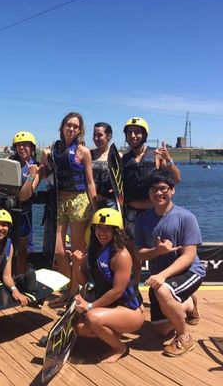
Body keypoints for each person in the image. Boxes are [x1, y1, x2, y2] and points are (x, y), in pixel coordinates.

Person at [134, 170, 205, 357]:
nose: (158, 193)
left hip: (190, 272)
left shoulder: (186, 217)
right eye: (154, 189)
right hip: (162, 277)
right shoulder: (142, 220)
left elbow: (188, 256)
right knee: (160, 329)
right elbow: (139, 254)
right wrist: (157, 251)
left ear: (172, 190)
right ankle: (188, 303)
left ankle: (184, 337)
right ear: (149, 193)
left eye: (163, 188)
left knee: (163, 290)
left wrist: (162, 276)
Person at [72, 208, 144, 363]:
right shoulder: (94, 249)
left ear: (116, 231)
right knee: (81, 328)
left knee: (92, 318)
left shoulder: (121, 255)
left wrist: (89, 306)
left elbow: (117, 292)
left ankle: (119, 348)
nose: (102, 232)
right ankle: (114, 331)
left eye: (107, 229)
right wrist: (76, 265)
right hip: (111, 306)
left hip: (130, 310)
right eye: (99, 227)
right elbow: (83, 281)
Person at [42, 112, 98, 307]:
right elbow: (46, 175)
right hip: (59, 200)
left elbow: (90, 182)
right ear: (62, 126)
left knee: (76, 251)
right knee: (58, 251)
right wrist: (43, 160)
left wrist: (95, 208)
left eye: (75, 126)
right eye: (69, 125)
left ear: (80, 130)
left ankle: (74, 292)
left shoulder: (84, 152)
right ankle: (70, 287)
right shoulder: (53, 149)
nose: (71, 128)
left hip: (79, 201)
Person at [122, 117, 181, 282]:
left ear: (144, 135)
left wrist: (168, 159)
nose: (133, 135)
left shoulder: (156, 155)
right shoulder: (123, 159)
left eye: (137, 132)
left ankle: (170, 285)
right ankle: (134, 288)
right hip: (131, 213)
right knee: (134, 253)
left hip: (153, 213)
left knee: (161, 250)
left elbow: (176, 179)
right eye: (130, 132)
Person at [0, 131, 42, 274]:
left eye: (25, 145)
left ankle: (20, 277)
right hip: (6, 211)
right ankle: (0, 275)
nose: (22, 148)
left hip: (23, 213)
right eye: (19, 145)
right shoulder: (10, 161)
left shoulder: (37, 167)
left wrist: (31, 176)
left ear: (32, 148)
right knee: (1, 244)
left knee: (22, 250)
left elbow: (24, 196)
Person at [91, 122, 118, 209]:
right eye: (94, 135)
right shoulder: (88, 154)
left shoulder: (116, 156)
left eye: (99, 135)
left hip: (109, 203)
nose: (96, 138)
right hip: (89, 202)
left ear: (108, 136)